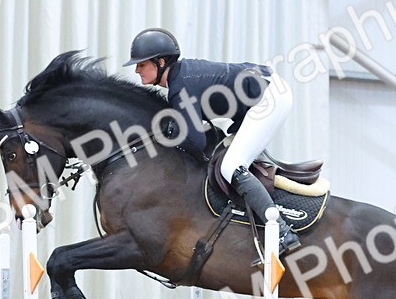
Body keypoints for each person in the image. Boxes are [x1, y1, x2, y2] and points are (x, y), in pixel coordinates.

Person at [125, 27, 300, 258]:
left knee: (231, 166)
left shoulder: (181, 86)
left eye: (141, 64)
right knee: (226, 156)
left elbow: (195, 141)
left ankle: (282, 231)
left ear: (161, 62)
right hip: (259, 95)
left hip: (269, 97)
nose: (137, 70)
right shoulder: (180, 79)